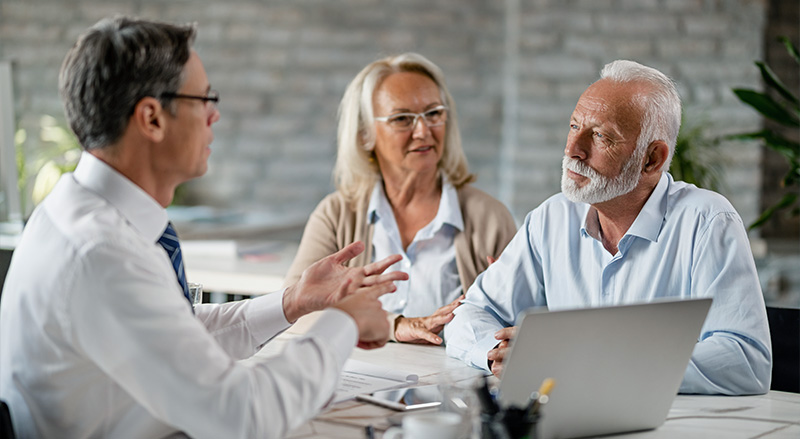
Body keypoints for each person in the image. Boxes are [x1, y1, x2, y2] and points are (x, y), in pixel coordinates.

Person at [0, 17, 408, 439]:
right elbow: (242, 415)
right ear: (151, 118)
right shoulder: (103, 252)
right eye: (204, 98)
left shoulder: (75, 213)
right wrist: (343, 322)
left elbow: (179, 335)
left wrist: (293, 302)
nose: (214, 115)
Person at [444, 60, 772, 395]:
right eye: (574, 127)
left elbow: (746, 361)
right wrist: (499, 355)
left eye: (600, 136)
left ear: (652, 159)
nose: (573, 150)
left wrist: (585, 363)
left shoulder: (708, 222)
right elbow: (471, 314)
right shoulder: (551, 219)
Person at [284, 53, 516, 345]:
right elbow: (294, 311)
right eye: (402, 119)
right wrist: (395, 325)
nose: (423, 131)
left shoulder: (490, 217)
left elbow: (519, 323)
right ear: (365, 134)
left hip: (449, 386)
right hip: (360, 386)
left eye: (433, 114)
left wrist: (505, 307)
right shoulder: (335, 215)